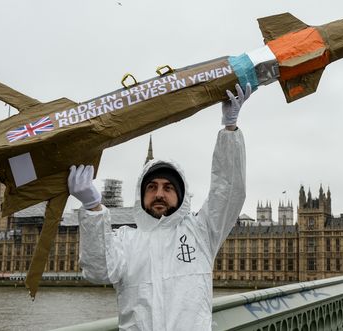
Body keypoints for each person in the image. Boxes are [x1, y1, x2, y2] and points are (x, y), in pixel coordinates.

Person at [68, 83, 252, 330]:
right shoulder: (125, 240)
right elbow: (98, 271)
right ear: (141, 195)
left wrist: (229, 130)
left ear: (181, 195)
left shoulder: (201, 232)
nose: (159, 194)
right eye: (152, 187)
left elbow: (228, 190)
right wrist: (93, 208)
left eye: (168, 188)